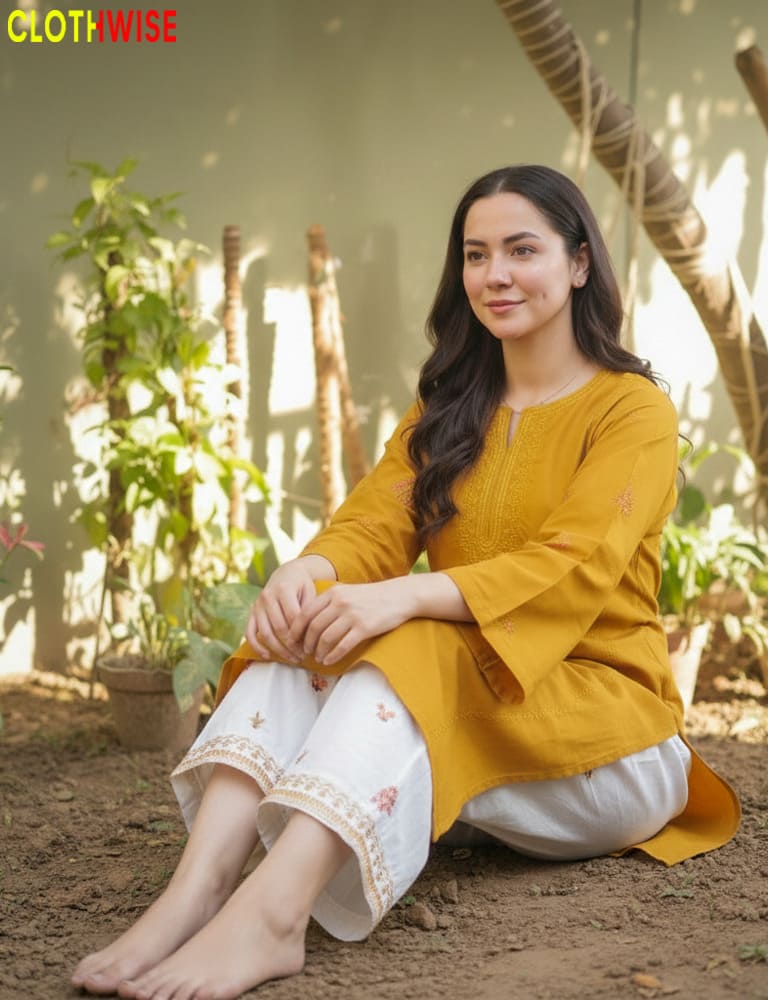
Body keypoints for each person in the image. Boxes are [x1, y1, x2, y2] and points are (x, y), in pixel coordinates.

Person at [72, 164, 740, 1000]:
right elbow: (372, 525)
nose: (494, 274)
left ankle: (274, 920)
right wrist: (308, 574)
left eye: (521, 250)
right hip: (477, 717)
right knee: (298, 635)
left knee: (413, 643)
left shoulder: (631, 410)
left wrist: (407, 594)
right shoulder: (448, 409)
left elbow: (576, 563)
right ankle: (193, 895)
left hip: (612, 745)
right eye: (476, 253)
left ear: (578, 264)